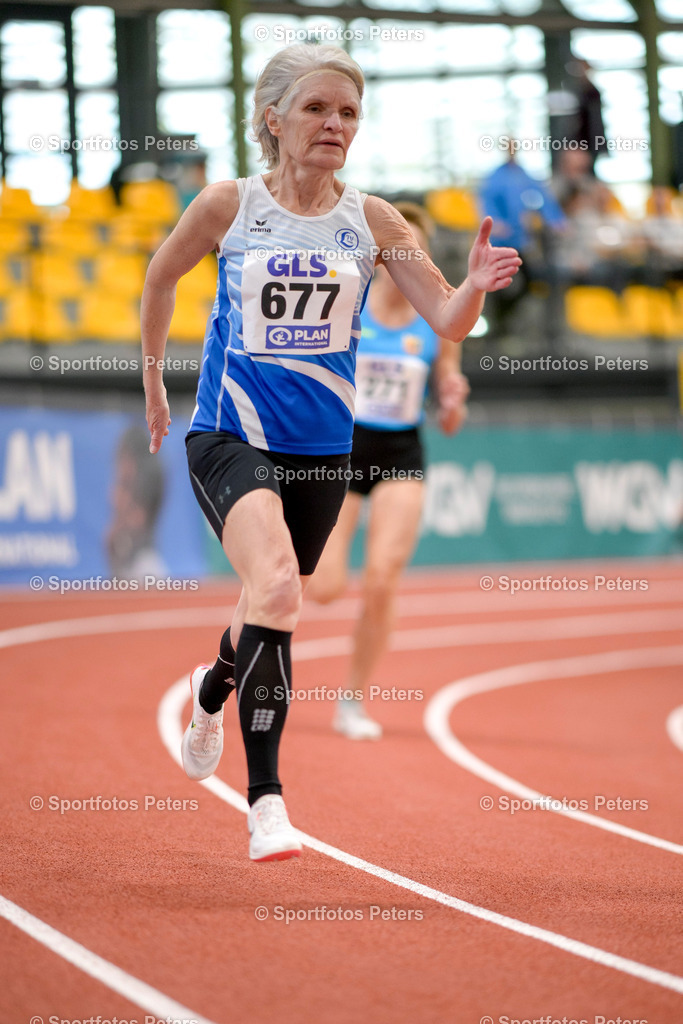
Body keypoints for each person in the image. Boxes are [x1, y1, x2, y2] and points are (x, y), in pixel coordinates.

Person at [141, 43, 520, 862]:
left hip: (323, 450)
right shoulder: (226, 206)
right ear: (272, 119)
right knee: (277, 587)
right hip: (229, 435)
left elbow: (447, 323)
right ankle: (266, 803)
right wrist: (151, 380)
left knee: (269, 598)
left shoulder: (377, 221)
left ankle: (211, 689)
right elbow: (160, 278)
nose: (334, 125)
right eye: (317, 109)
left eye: (348, 113)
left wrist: (474, 285)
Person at [306, 202, 469, 740]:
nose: (404, 261)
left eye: (414, 253)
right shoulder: (348, 304)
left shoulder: (440, 320)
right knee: (325, 586)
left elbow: (450, 411)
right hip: (343, 452)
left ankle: (351, 700)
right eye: (396, 252)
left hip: (403, 456)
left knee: (382, 579)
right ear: (378, 256)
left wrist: (451, 402)